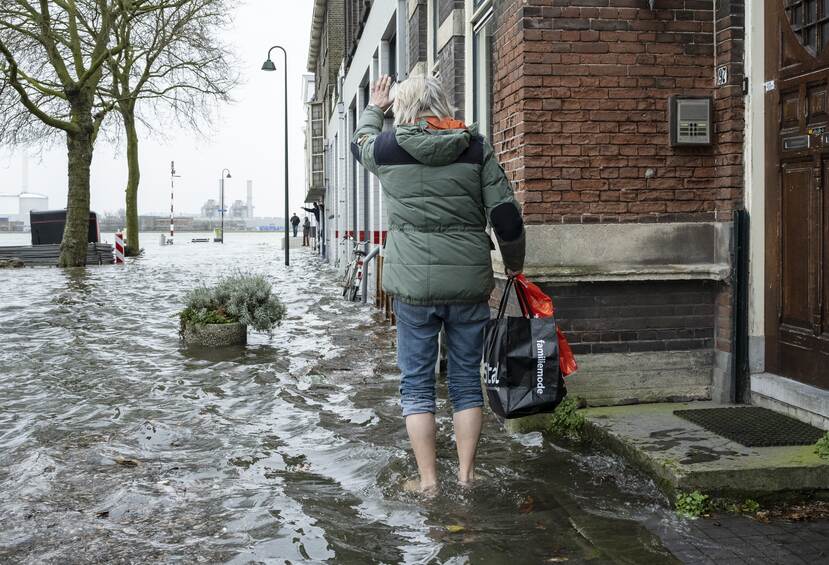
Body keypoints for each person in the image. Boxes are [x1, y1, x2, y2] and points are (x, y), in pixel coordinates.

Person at [352, 75, 525, 492]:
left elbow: (360, 140)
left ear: (402, 107)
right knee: (467, 380)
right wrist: (515, 267)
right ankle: (466, 476)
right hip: (468, 283)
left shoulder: (388, 149)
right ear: (443, 103)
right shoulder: (474, 146)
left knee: (416, 383)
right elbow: (505, 215)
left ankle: (427, 481)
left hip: (413, 287)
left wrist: (376, 106)